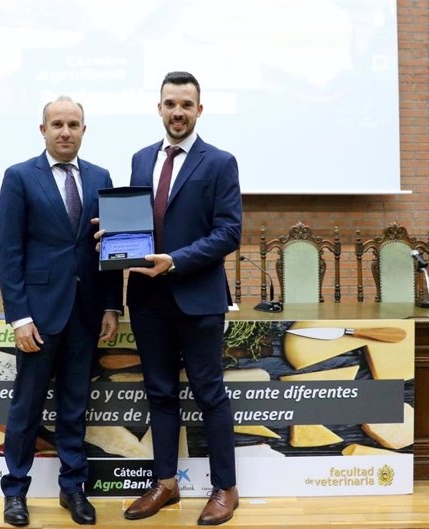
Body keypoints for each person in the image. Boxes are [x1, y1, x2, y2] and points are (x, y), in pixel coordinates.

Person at [0, 96, 123, 526]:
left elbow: (112, 247)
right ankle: (15, 491)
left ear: (84, 130)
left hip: (86, 313)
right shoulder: (19, 177)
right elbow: (8, 253)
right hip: (38, 316)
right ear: (43, 130)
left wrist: (111, 304)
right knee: (26, 408)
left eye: (73, 124)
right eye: (57, 124)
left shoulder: (101, 177)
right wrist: (19, 317)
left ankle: (74, 489)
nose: (65, 131)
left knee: (74, 407)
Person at [122, 71, 242, 525]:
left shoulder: (219, 162)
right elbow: (131, 224)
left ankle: (225, 488)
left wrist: (174, 260)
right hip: (149, 300)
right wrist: (111, 242)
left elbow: (229, 232)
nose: (177, 112)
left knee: (210, 394)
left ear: (199, 110)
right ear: (159, 108)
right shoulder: (139, 159)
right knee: (160, 393)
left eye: (186, 105)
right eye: (170, 103)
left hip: (199, 298)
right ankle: (165, 483)